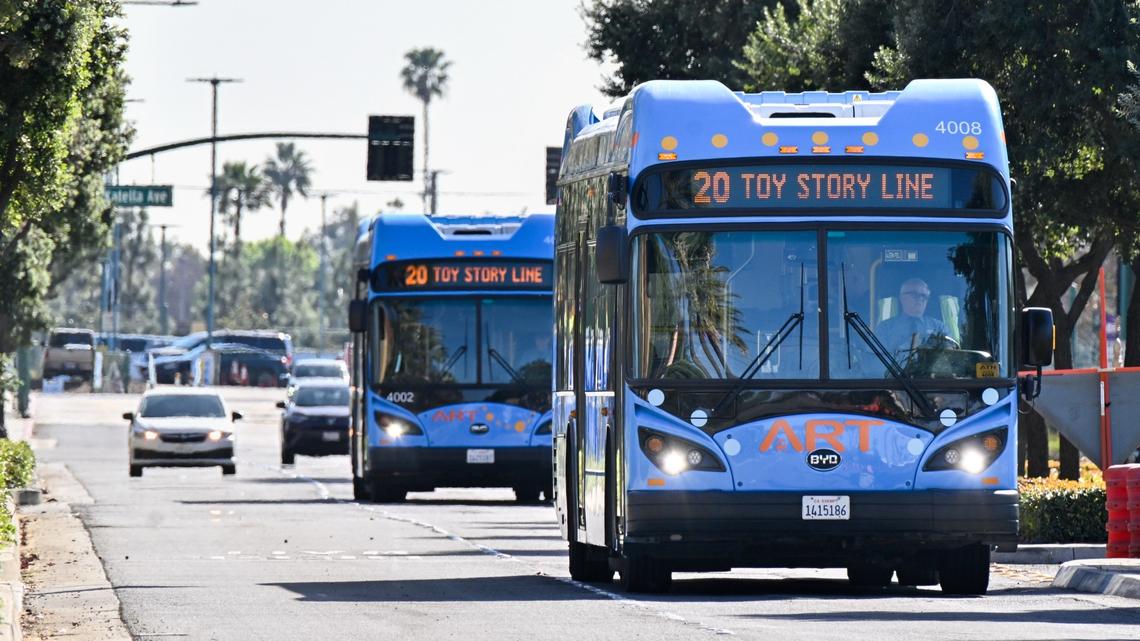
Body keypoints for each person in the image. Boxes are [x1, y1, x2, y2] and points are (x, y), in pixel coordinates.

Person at [874, 278, 951, 359]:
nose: (920, 299)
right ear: (902, 297)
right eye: (915, 295)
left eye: (924, 296)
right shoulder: (885, 328)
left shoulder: (939, 328)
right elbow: (875, 360)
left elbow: (949, 358)